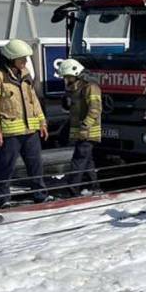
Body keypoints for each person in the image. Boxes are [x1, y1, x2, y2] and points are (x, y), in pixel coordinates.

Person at [0, 39, 50, 208]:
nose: (25, 61)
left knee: (35, 164)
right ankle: (3, 198)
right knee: (6, 167)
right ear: (10, 58)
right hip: (10, 132)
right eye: (22, 58)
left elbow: (33, 99)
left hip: (31, 130)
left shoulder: (25, 73)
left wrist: (42, 122)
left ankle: (40, 195)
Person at [56, 58, 102, 197]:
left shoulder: (90, 87)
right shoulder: (77, 87)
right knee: (87, 161)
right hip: (81, 131)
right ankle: (94, 186)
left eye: (67, 77)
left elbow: (95, 108)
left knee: (78, 160)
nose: (66, 80)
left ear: (75, 73)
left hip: (88, 131)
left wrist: (85, 126)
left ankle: (72, 189)